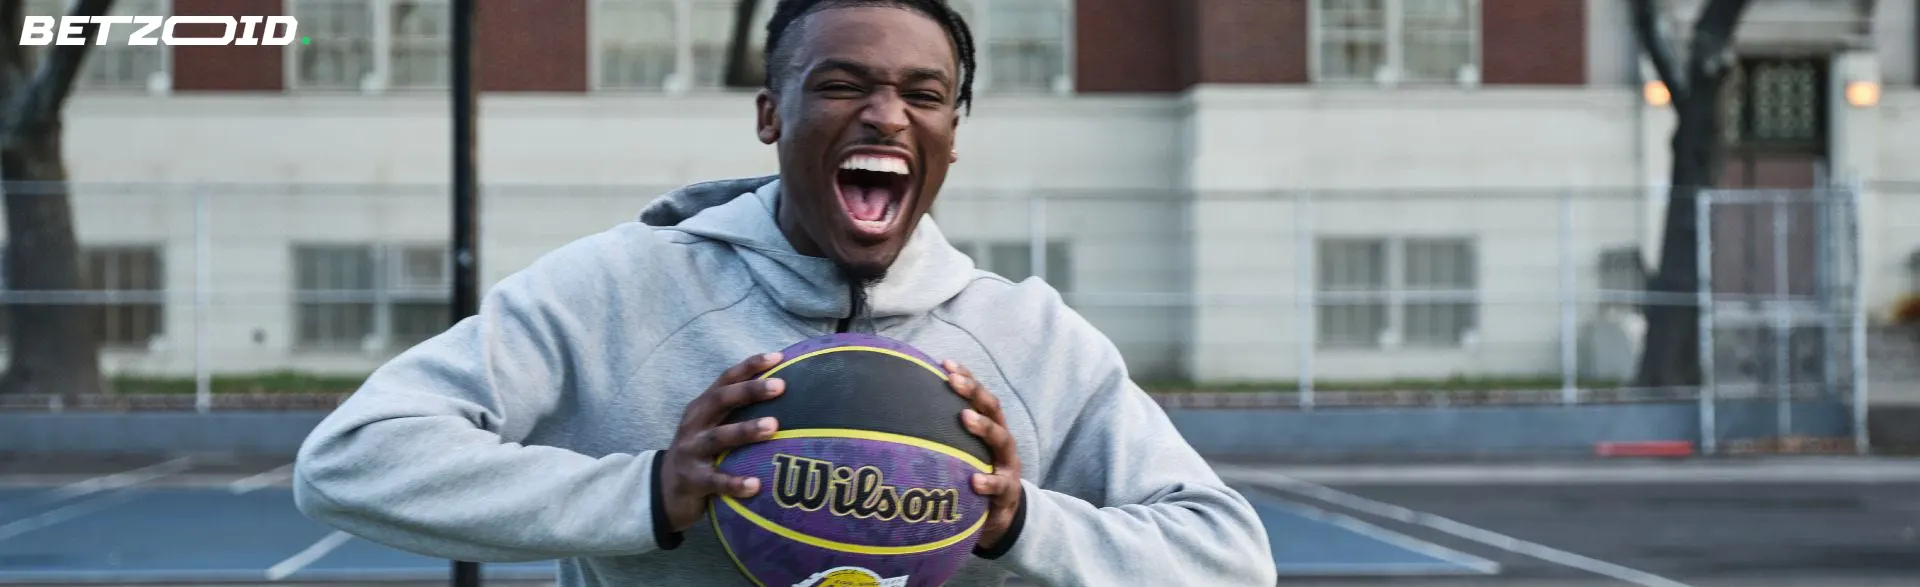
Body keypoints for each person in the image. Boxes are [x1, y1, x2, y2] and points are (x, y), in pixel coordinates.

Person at [291, 0, 1277, 585]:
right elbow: (351, 457)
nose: (886, 112)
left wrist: (1020, 520)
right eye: (843, 84)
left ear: (953, 129)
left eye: (924, 93)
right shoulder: (622, 284)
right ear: (772, 114)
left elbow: (1229, 555)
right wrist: (648, 491)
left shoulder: (1029, 336)